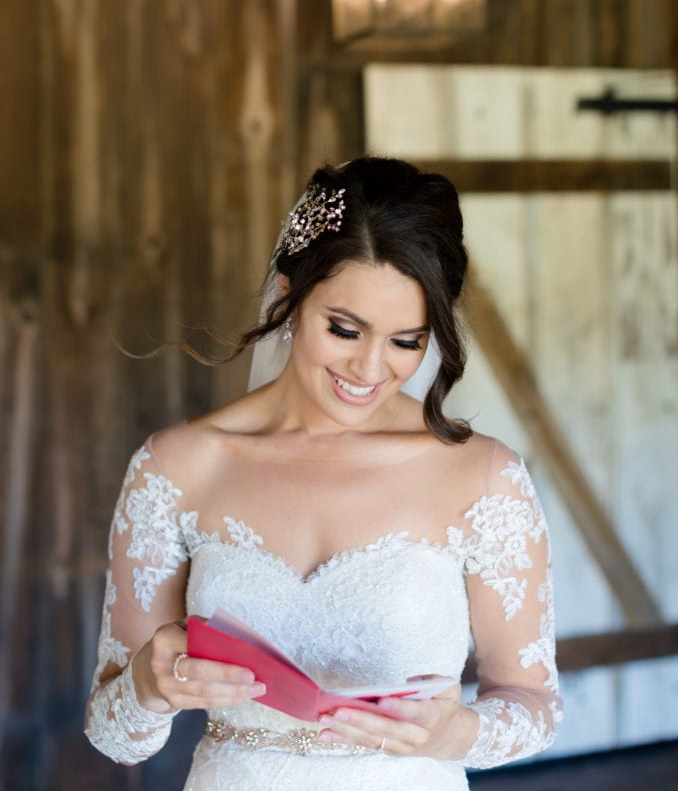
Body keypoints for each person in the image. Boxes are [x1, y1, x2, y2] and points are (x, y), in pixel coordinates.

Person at [85, 156, 562, 790]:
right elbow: (115, 734)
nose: (369, 368)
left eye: (406, 341)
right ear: (289, 296)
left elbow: (535, 704)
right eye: (344, 329)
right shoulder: (174, 468)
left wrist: (456, 734)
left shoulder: (483, 476)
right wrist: (149, 683)